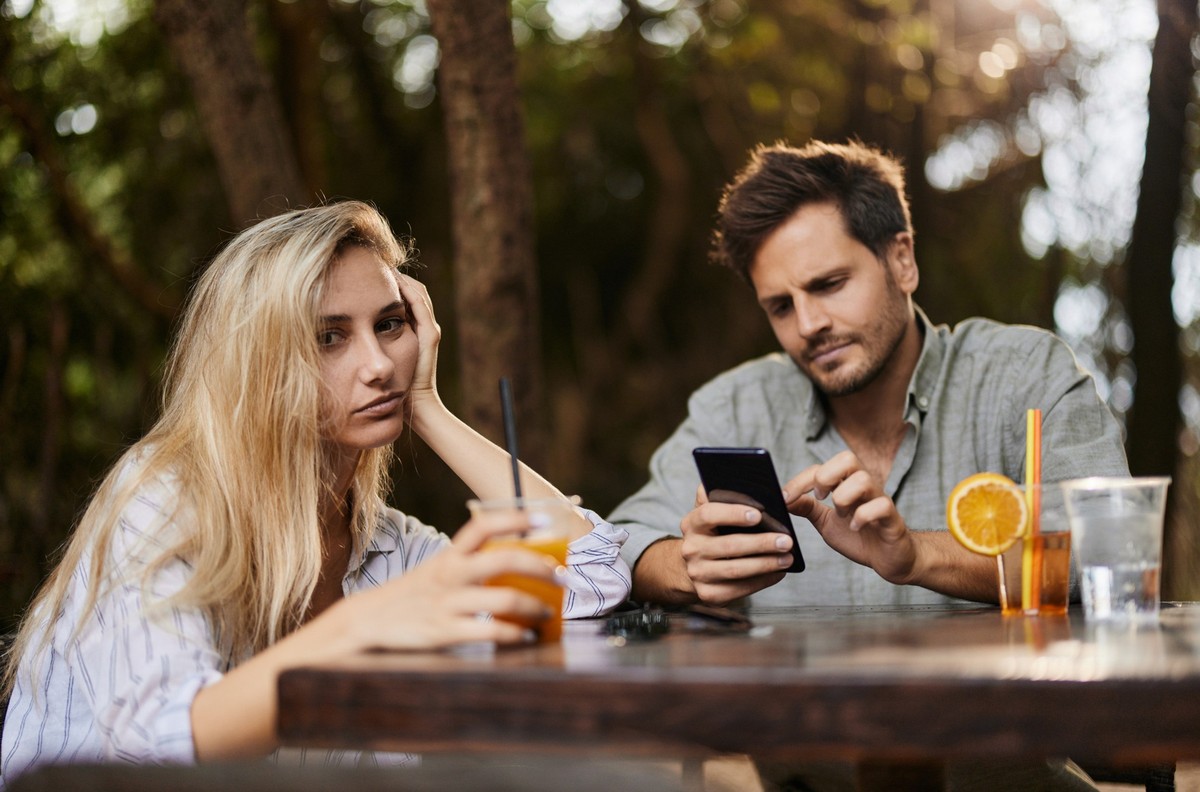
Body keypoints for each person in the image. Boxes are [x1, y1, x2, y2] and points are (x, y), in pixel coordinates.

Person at [0, 201, 630, 781]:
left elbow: (594, 574)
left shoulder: (382, 543)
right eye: (330, 336)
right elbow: (160, 753)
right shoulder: (166, 502)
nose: (378, 364)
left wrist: (427, 406)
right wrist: (363, 626)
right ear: (258, 362)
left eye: (390, 325)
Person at [610, 139, 1129, 610]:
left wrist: (917, 557)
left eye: (830, 284)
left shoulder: (1025, 376)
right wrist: (685, 565)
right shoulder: (735, 406)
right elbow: (619, 546)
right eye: (781, 307)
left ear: (902, 260)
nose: (809, 325)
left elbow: (1112, 551)